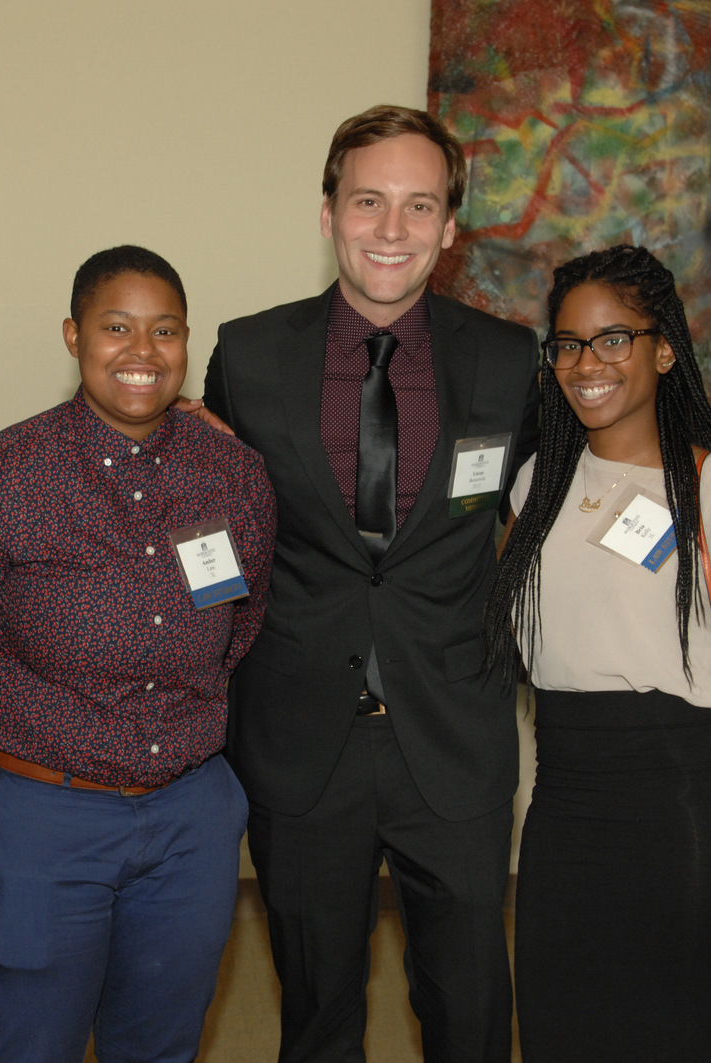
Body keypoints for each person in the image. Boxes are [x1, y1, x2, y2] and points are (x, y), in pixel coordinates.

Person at [201, 105, 540, 1062]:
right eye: (368, 201)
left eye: (419, 205)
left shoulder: (510, 359)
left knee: (471, 1012)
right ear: (328, 213)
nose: (392, 229)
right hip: (301, 740)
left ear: (450, 225)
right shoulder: (249, 354)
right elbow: (211, 528)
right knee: (316, 1015)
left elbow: (558, 509)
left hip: (455, 735)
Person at [0, 246, 276, 1063]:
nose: (143, 351)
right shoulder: (6, 476)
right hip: (40, 817)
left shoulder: (234, 473)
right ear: (74, 335)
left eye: (165, 330)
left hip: (189, 821)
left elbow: (241, 626)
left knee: (161, 1047)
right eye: (117, 327)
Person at [481, 245, 711, 1062]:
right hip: (563, 808)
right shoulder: (535, 485)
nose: (587, 363)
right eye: (568, 343)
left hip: (685, 810)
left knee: (683, 1036)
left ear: (664, 350)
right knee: (561, 1031)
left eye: (613, 339)